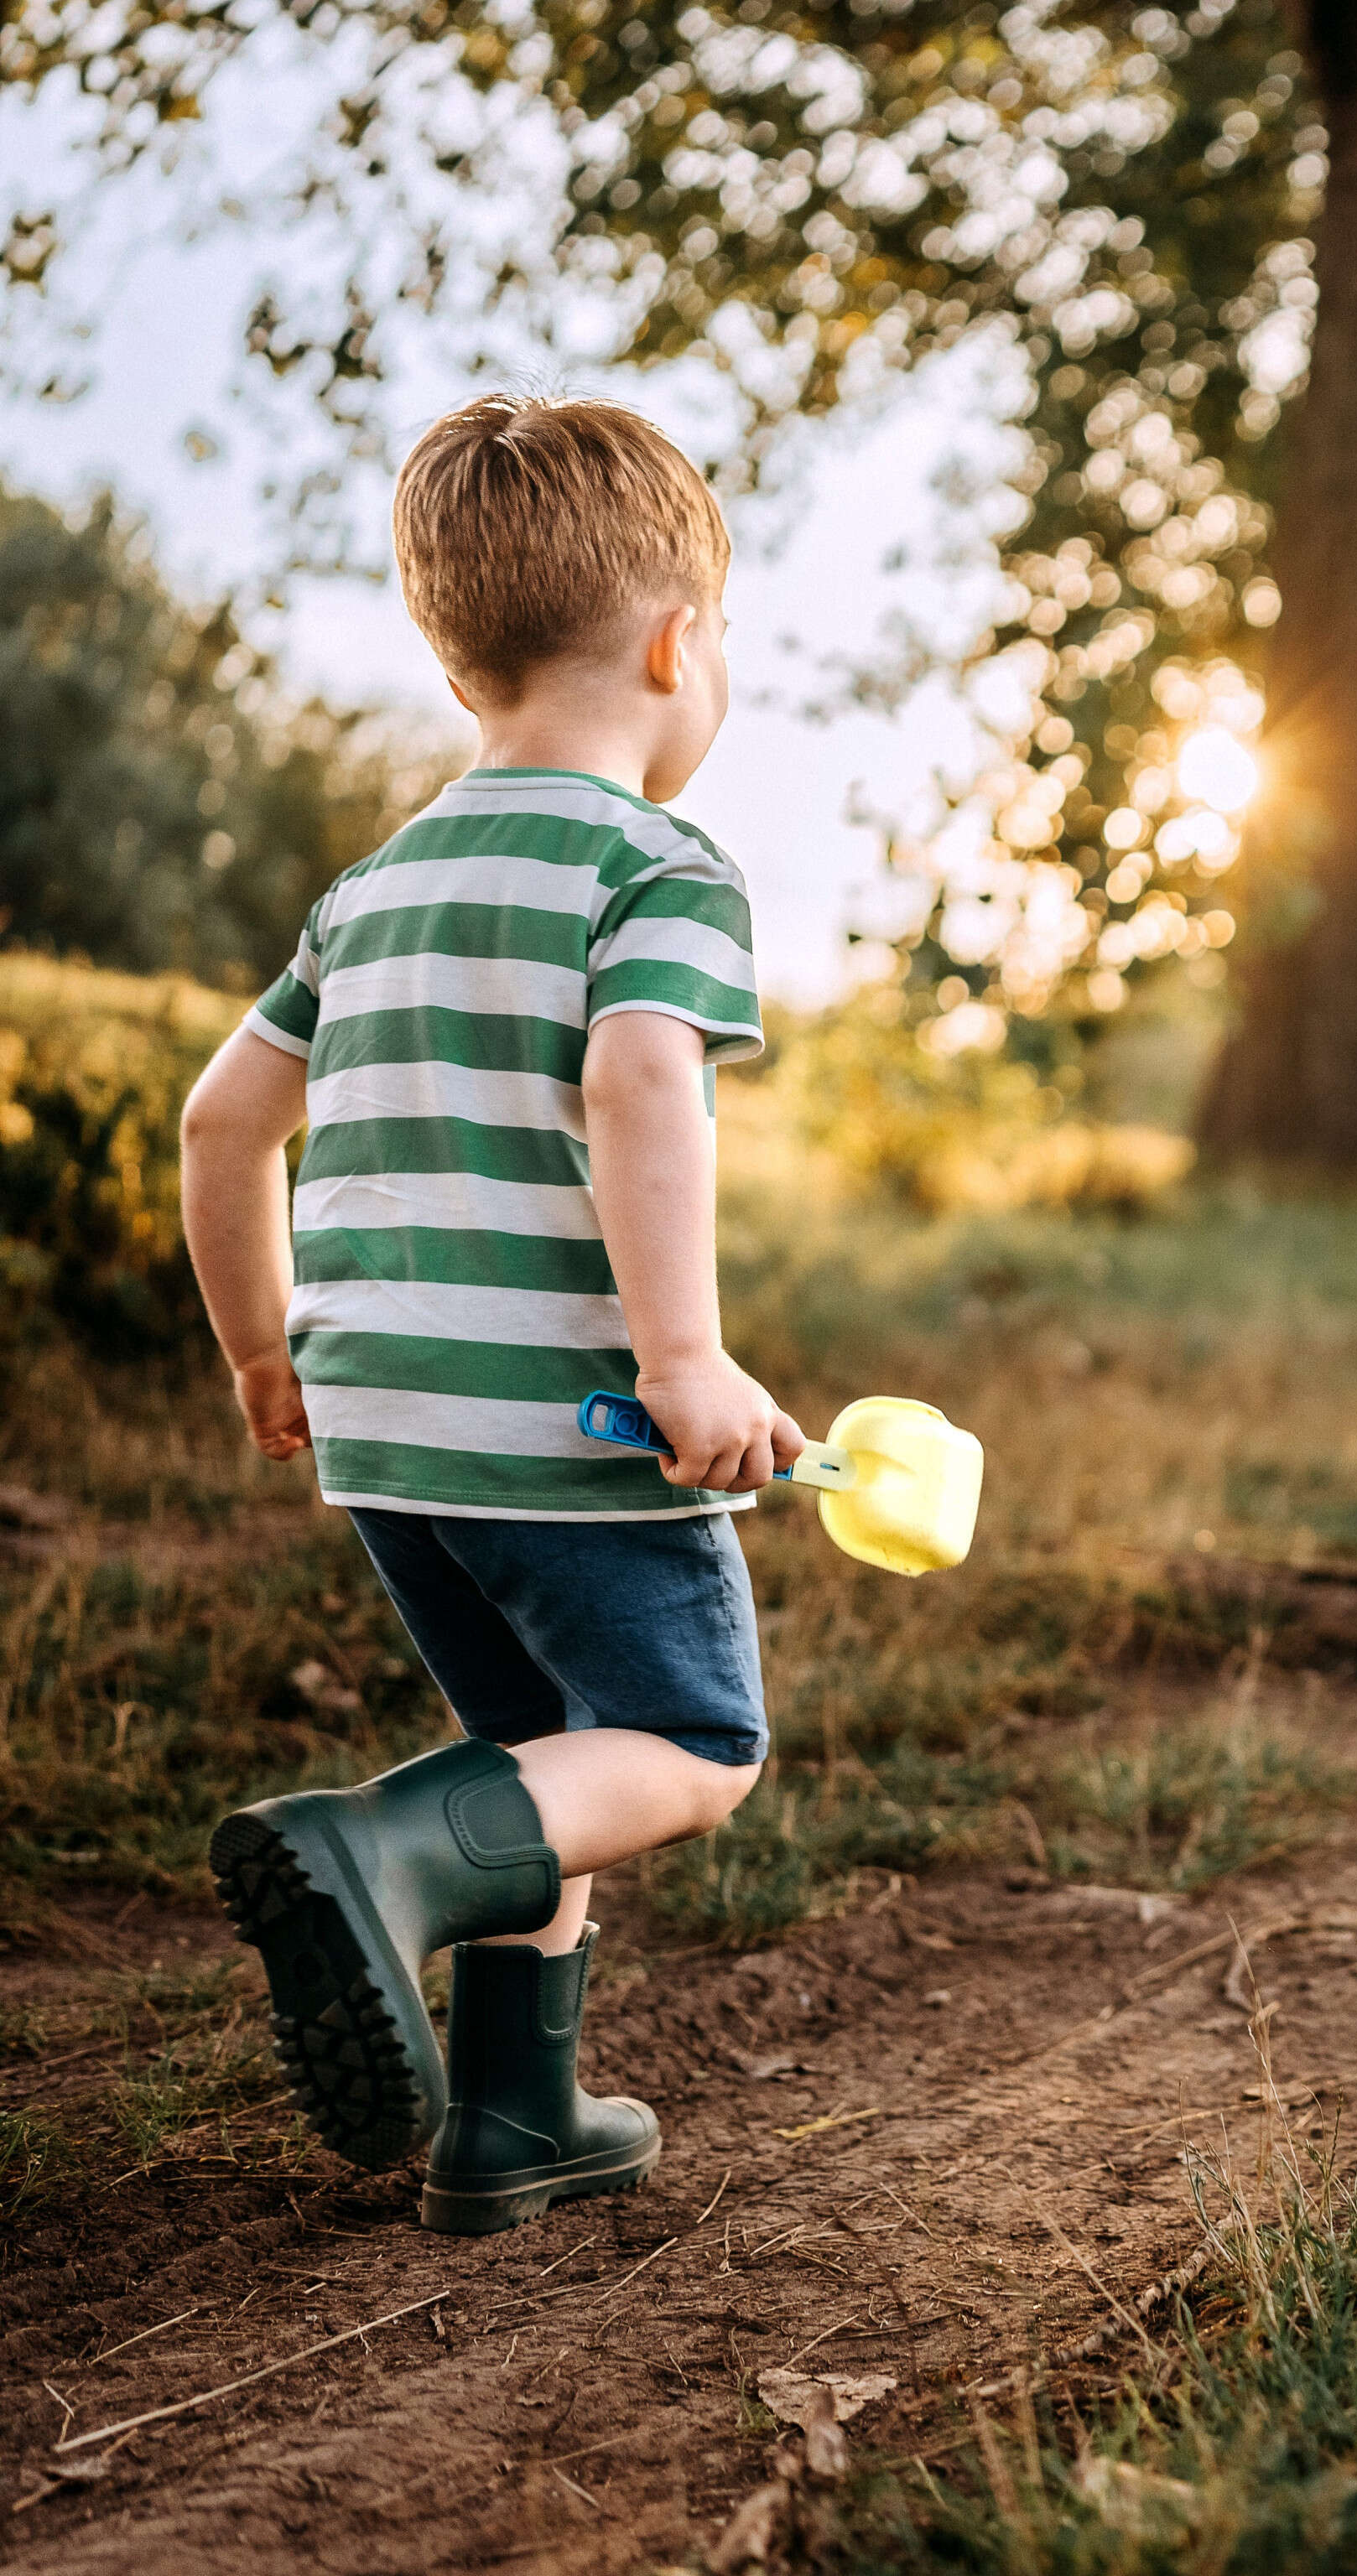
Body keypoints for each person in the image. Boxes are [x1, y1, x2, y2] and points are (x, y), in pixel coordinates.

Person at [175, 392, 797, 2235]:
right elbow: (638, 1087)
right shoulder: (653, 868)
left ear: (464, 677)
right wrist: (681, 1357)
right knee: (688, 1751)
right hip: (566, 1420)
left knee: (547, 1756)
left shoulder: (368, 893)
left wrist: (262, 1348)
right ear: (681, 642)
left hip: (385, 1433)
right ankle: (374, 1850)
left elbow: (222, 1125)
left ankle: (515, 2120)